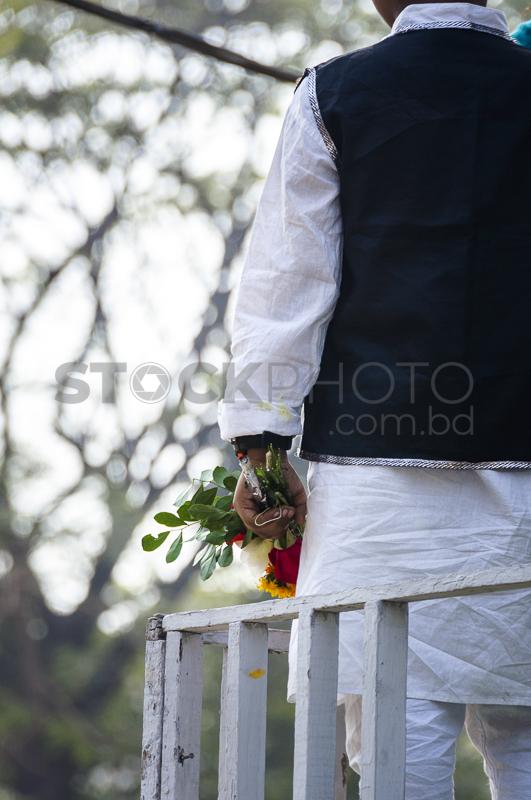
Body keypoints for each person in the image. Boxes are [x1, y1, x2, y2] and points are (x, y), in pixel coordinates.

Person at [217, 2, 531, 797]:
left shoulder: (335, 91)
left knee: (395, 729)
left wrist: (262, 450)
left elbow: (287, 283)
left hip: (376, 478)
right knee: (526, 734)